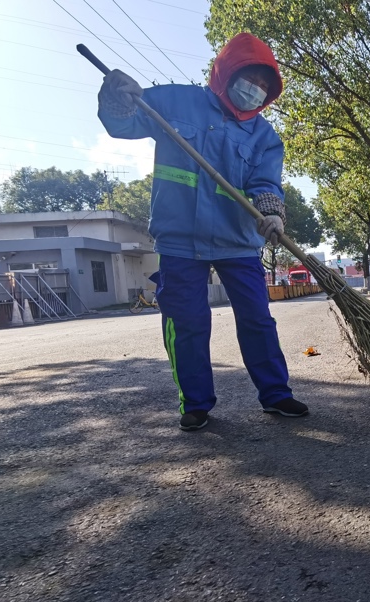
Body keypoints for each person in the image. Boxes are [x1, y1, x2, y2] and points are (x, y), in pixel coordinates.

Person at [97, 32, 309, 431]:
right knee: (187, 322)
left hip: (238, 241)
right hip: (180, 240)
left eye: (265, 86)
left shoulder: (264, 136)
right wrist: (116, 98)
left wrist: (272, 214)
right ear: (228, 72)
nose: (257, 90)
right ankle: (194, 403)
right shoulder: (177, 102)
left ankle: (276, 394)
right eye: (252, 78)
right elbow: (122, 124)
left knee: (258, 319)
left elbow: (266, 183)